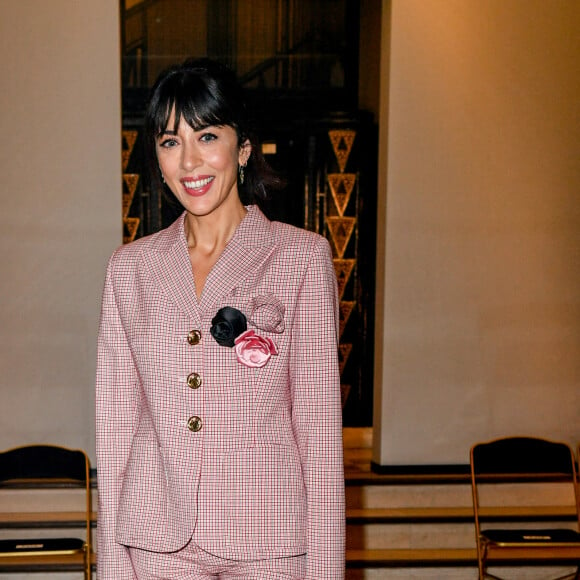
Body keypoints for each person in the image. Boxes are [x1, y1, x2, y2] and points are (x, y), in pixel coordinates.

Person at [96, 58, 345, 580]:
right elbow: (118, 427)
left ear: (244, 146)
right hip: (157, 539)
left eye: (206, 136)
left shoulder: (300, 259)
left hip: (268, 539)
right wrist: (114, 562)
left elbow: (319, 437)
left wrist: (325, 570)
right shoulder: (131, 269)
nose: (189, 162)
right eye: (169, 142)